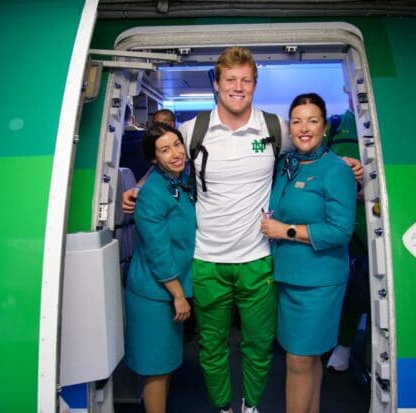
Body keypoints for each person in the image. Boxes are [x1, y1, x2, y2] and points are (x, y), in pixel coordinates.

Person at [122, 47, 364, 413]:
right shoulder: (192, 131)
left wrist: (346, 163)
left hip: (259, 259)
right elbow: (166, 162)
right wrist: (140, 185)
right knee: (212, 347)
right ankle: (223, 407)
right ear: (217, 84)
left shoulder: (274, 128)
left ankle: (251, 406)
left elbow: (306, 147)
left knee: (259, 345)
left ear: (254, 84)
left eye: (246, 80)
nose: (238, 87)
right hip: (207, 260)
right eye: (230, 80)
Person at [260, 93, 357, 413]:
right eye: (297, 121)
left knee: (298, 359)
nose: (304, 128)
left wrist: (285, 230)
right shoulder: (288, 163)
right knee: (308, 357)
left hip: (319, 281)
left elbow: (341, 230)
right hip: (288, 277)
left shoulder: (336, 170)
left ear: (325, 127)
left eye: (312, 121)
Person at [124, 122, 195, 413]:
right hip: (154, 293)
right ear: (154, 159)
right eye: (165, 150)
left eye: (177, 144)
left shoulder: (180, 180)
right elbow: (158, 252)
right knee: (156, 369)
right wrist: (178, 293)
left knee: (164, 365)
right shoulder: (153, 193)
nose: (176, 153)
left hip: (168, 290)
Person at [325, 92, 370, 373]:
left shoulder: (387, 124)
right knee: (343, 288)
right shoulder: (335, 124)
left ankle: (360, 349)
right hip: (338, 221)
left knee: (366, 289)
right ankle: (340, 345)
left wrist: (369, 191)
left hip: (372, 222)